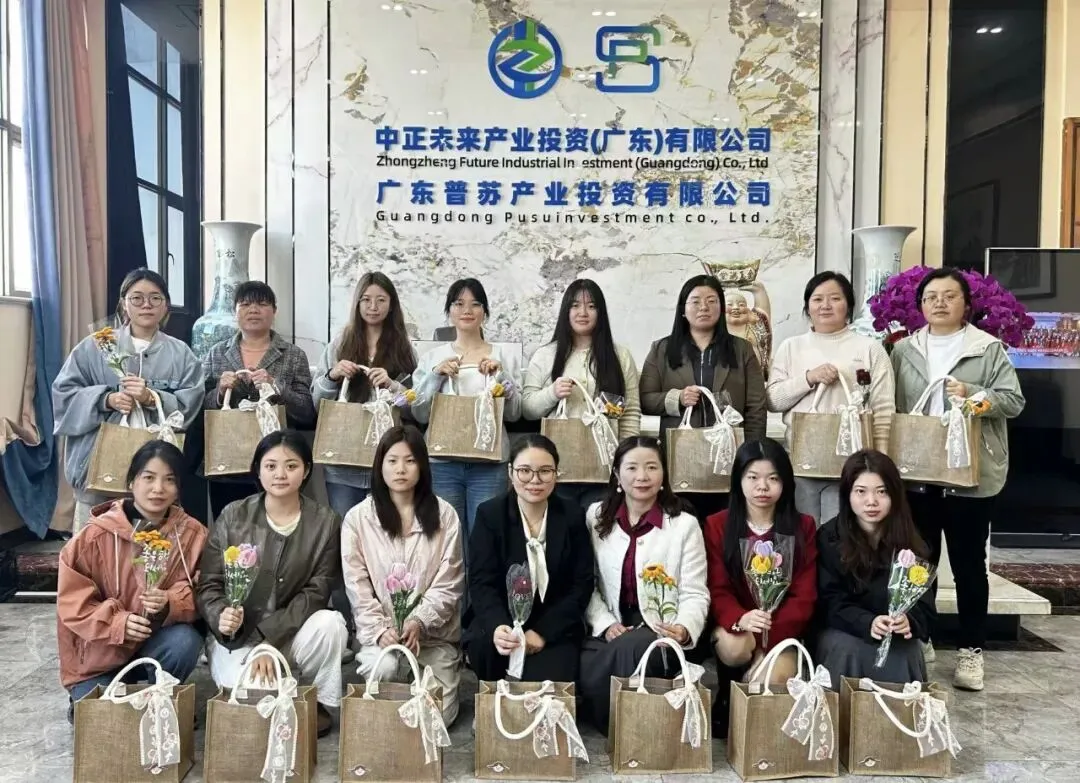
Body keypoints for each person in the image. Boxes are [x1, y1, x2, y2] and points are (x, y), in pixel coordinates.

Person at [892, 267, 1025, 691]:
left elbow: (1013, 401)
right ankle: (922, 636)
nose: (940, 303)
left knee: (969, 565)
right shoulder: (903, 350)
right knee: (918, 562)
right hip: (918, 471)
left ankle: (971, 649)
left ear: (966, 303)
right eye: (931, 296)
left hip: (970, 472)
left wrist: (972, 394)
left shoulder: (987, 348)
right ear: (920, 304)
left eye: (950, 295)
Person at [196, 430, 346, 737]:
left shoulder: (325, 521)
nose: (280, 474)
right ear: (258, 469)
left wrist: (269, 640)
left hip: (290, 632)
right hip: (238, 636)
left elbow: (317, 590)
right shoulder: (234, 515)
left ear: (306, 470)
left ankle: (315, 701)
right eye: (271, 466)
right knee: (260, 707)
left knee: (331, 624)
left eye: (291, 466)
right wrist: (220, 614)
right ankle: (280, 689)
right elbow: (209, 584)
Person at [57, 441, 207, 723]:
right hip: (100, 656)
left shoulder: (193, 534)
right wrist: (117, 623)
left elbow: (206, 589)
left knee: (184, 641)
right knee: (104, 725)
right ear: (131, 482)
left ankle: (160, 696)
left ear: (179, 488)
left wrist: (172, 602)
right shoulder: (93, 537)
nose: (158, 489)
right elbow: (72, 603)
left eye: (169, 480)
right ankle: (90, 696)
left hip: (155, 646)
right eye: (148, 477)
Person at [53, 268, 204, 531]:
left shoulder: (181, 354)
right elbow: (63, 394)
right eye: (137, 298)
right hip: (97, 472)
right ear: (124, 303)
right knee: (96, 545)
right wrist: (106, 400)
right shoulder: (95, 346)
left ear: (165, 305)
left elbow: (190, 404)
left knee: (150, 547)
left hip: (156, 480)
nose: (146, 304)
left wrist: (152, 398)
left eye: (155, 298)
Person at [579, 436, 709, 733]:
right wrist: (606, 624)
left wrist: (684, 627)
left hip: (660, 627)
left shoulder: (684, 525)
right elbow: (588, 583)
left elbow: (695, 591)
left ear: (663, 474)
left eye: (651, 467)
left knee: (634, 648)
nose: (642, 476)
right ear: (617, 474)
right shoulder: (596, 517)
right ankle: (623, 721)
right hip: (610, 625)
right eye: (632, 467)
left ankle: (618, 727)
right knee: (582, 658)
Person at [343, 425, 465, 725]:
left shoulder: (445, 515)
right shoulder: (358, 518)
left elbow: (449, 581)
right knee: (384, 679)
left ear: (422, 466)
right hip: (381, 637)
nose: (401, 469)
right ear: (380, 466)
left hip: (432, 638)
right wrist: (380, 629)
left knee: (437, 718)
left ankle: (428, 676)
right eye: (392, 460)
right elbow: (357, 585)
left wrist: (419, 621)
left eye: (410, 461)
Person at [767, 272, 895, 523]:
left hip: (853, 468)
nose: (825, 305)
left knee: (843, 536)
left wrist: (878, 465)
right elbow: (772, 401)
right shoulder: (791, 347)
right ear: (807, 307)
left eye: (835, 298)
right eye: (817, 299)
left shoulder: (869, 348)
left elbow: (883, 410)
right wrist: (808, 378)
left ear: (848, 306)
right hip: (802, 463)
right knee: (805, 534)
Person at [466, 435, 594, 683]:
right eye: (524, 471)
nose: (535, 480)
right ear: (510, 472)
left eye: (545, 471)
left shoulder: (572, 515)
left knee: (547, 684)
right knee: (488, 656)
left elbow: (582, 583)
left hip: (554, 623)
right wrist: (498, 626)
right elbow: (481, 581)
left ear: (556, 474)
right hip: (501, 620)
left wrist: (544, 632)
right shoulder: (490, 514)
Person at [640, 275, 767, 521]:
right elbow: (645, 399)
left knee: (724, 525)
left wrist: (751, 456)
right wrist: (676, 399)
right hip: (680, 457)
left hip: (727, 455)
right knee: (681, 525)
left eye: (712, 301)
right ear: (683, 309)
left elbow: (756, 407)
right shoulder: (662, 349)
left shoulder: (742, 349)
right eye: (696, 301)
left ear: (721, 307)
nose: (704, 307)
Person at [411, 278, 523, 551]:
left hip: (490, 463)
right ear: (449, 311)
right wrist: (435, 376)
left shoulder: (503, 356)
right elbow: (419, 413)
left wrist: (501, 377)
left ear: (485, 311)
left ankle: (481, 583)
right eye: (459, 304)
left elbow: (514, 413)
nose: (467, 310)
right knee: (445, 542)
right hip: (442, 463)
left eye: (475, 304)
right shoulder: (432, 357)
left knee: (485, 541)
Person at [816, 449, 934, 688]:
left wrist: (909, 621)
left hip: (894, 636)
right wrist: (867, 622)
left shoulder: (911, 542)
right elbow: (828, 602)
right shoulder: (829, 538)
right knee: (848, 648)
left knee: (907, 651)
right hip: (844, 631)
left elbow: (926, 606)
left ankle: (900, 712)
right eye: (861, 491)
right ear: (847, 494)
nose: (872, 501)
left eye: (882, 492)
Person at [704, 438, 817, 686]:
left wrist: (767, 638)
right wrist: (741, 619)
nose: (762, 487)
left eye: (773, 478)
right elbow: (718, 588)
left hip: (783, 630)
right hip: (737, 627)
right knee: (734, 647)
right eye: (753, 477)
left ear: (785, 482)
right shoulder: (718, 525)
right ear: (739, 480)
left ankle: (746, 692)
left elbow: (804, 595)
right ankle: (728, 688)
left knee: (771, 679)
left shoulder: (803, 526)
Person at [522, 280, 642, 511]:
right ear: (566, 311)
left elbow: (630, 413)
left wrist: (626, 461)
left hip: (604, 467)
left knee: (600, 528)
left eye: (591, 306)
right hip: (557, 469)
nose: (583, 312)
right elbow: (527, 408)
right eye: (575, 305)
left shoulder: (620, 356)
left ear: (601, 312)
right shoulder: (546, 355)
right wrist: (552, 393)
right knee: (560, 529)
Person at [202, 281, 316, 518]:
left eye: (262, 304)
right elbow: (203, 408)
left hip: (277, 462)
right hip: (227, 459)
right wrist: (221, 392)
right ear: (235, 311)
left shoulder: (293, 355)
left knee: (275, 523)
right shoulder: (217, 353)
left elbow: (306, 412)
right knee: (229, 524)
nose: (253, 310)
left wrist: (275, 386)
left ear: (274, 311)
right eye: (245, 304)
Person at [312, 272, 418, 518]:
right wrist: (332, 375)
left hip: (389, 463)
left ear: (391, 305)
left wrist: (392, 385)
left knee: (387, 530)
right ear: (357, 303)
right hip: (342, 463)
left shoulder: (405, 348)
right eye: (366, 299)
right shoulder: (339, 345)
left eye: (381, 300)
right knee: (346, 529)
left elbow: (415, 408)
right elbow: (317, 405)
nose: (373, 307)